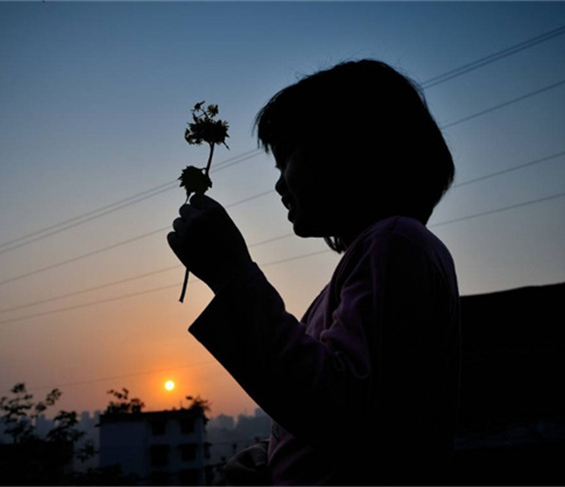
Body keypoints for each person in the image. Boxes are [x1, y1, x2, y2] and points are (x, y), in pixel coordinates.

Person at [168, 59, 461, 486]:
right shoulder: (374, 257)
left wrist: (232, 276)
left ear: (348, 149)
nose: (279, 185)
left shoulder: (397, 242)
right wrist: (274, 459)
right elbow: (332, 411)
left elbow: (345, 412)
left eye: (287, 157)